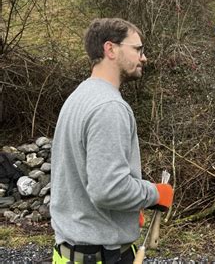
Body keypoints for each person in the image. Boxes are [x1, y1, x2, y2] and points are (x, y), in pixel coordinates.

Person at [50, 18, 174, 264]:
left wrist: (125, 212)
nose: (144, 57)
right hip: (100, 257)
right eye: (137, 49)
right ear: (111, 49)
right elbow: (108, 190)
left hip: (69, 253)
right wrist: (154, 193)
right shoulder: (110, 107)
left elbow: (84, 181)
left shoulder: (79, 96)